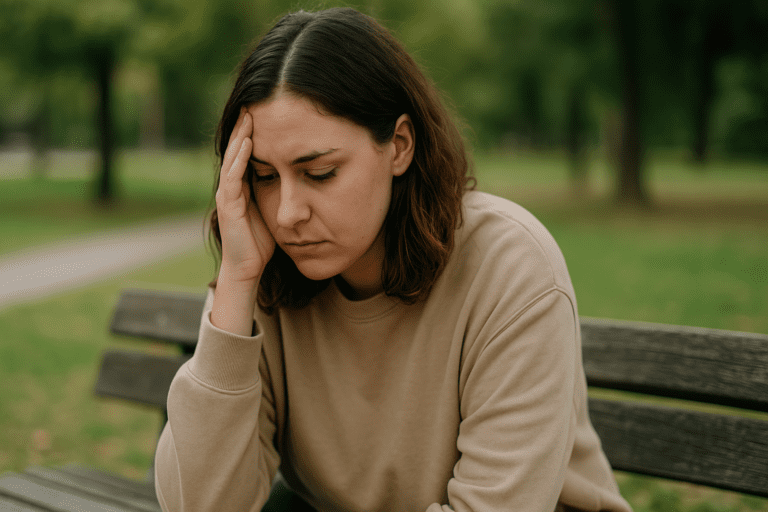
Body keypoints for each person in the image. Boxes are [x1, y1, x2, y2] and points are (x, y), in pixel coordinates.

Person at [154, 7, 632, 512]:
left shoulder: (510, 267)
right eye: (264, 176)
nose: (287, 213)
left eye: (319, 172)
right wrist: (235, 282)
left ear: (399, 146)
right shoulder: (265, 278)